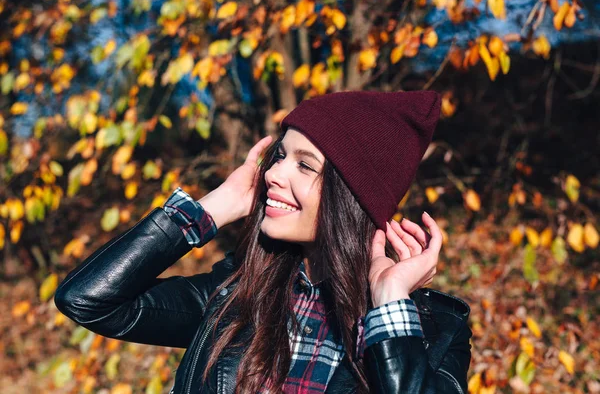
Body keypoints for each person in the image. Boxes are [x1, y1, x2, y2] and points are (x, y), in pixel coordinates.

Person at [55, 90, 472, 394]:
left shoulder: (436, 332)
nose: (273, 173)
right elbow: (87, 301)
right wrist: (213, 208)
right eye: (280, 155)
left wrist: (390, 300)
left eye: (305, 165)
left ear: (353, 199)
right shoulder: (237, 295)